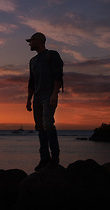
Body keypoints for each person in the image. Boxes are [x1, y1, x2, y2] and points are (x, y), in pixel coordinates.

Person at [25, 32, 63, 171]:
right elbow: (31, 82)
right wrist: (29, 100)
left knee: (48, 124)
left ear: (39, 41)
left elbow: (58, 76)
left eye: (31, 41)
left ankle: (55, 158)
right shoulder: (32, 61)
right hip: (37, 97)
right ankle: (44, 158)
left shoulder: (52, 55)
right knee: (40, 127)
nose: (29, 43)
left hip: (49, 94)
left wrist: (54, 94)